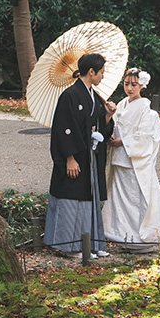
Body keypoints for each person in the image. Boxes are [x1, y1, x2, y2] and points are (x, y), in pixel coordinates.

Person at [44, 52, 116, 257]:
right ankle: (69, 246)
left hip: (89, 157)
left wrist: (108, 116)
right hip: (75, 158)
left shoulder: (94, 96)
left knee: (87, 199)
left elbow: (99, 125)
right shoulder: (70, 95)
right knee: (71, 200)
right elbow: (63, 129)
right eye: (101, 72)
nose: (103, 75)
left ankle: (90, 243)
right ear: (91, 72)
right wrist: (69, 158)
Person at [103, 69, 160, 253]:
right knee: (120, 201)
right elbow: (114, 126)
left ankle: (141, 239)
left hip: (134, 161)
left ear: (142, 85)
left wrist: (123, 141)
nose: (130, 88)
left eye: (134, 84)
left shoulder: (147, 111)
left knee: (136, 200)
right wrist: (110, 116)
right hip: (119, 160)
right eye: (126, 84)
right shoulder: (122, 104)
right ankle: (123, 237)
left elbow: (145, 137)